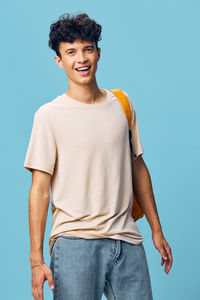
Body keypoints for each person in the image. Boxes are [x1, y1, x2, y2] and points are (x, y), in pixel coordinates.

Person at [24, 12, 173, 300]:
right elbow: (40, 191)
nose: (81, 58)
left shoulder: (122, 103)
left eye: (87, 49)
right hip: (74, 243)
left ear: (98, 53)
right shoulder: (49, 116)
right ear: (59, 60)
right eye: (71, 52)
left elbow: (137, 167)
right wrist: (36, 260)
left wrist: (156, 229)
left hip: (126, 240)